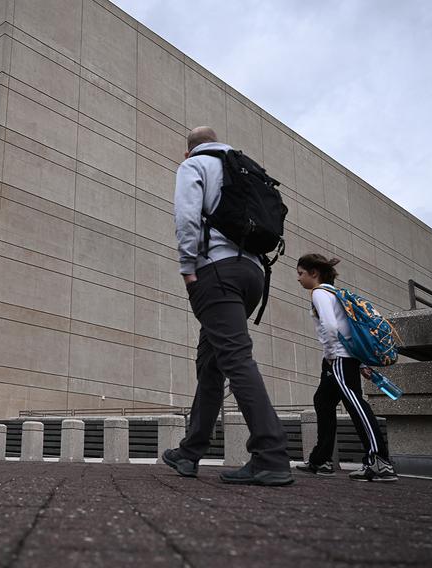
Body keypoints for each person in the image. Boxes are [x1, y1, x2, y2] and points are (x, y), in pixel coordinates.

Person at [162, 126, 293, 486]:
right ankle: (190, 452)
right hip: (252, 273)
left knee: (234, 357)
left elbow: (186, 217)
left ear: (188, 151)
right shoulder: (243, 165)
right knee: (211, 363)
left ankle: (270, 455)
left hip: (217, 272)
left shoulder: (195, 165)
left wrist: (188, 267)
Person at [295, 253, 397, 482]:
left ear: (314, 273)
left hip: (337, 358)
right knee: (323, 400)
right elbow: (348, 327)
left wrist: (332, 356)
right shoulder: (335, 293)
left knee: (355, 404)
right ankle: (321, 460)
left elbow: (330, 326)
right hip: (343, 357)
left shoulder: (320, 293)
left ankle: (380, 462)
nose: (298, 279)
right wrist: (358, 361)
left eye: (300, 273)